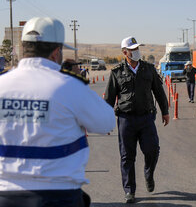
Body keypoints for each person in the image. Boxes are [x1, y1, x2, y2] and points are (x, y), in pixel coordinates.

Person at [0, 17, 116, 207]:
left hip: (4, 194)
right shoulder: (70, 87)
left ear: (23, 49)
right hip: (57, 195)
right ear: (56, 52)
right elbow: (107, 122)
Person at [104, 36, 169, 204]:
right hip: (126, 120)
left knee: (153, 150)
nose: (136, 52)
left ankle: (148, 173)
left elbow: (159, 92)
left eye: (137, 49)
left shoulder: (149, 69)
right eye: (133, 50)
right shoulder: (116, 72)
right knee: (127, 157)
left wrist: (165, 111)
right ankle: (129, 191)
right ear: (125, 52)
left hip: (146, 117)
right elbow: (109, 99)